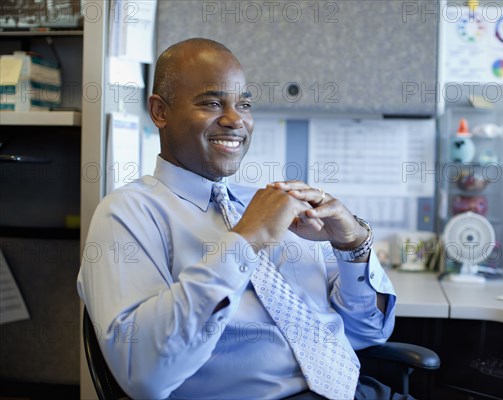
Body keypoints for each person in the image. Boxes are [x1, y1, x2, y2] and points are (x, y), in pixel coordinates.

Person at [77, 38, 400, 400]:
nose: (235, 120)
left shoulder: (272, 203)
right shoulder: (127, 214)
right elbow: (144, 374)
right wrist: (244, 243)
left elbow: (367, 331)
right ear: (160, 112)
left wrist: (353, 243)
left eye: (244, 104)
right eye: (212, 103)